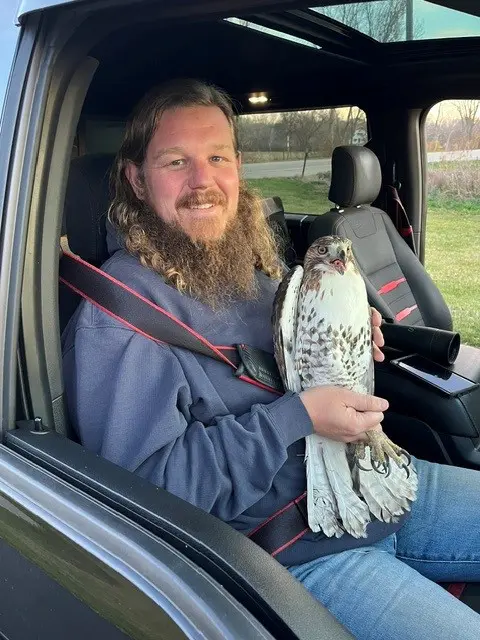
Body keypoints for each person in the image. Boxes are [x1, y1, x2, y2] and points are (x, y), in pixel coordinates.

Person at [62, 79, 480, 639]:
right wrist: (299, 416)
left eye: (216, 157)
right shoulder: (119, 319)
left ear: (238, 165)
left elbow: (293, 369)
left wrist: (343, 340)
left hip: (375, 482)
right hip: (294, 553)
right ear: (137, 180)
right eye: (175, 162)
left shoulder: (250, 264)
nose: (202, 181)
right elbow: (152, 497)